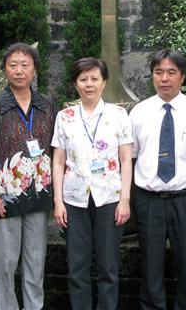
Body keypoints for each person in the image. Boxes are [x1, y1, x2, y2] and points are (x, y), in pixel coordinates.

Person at [0, 42, 57, 310]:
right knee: (6, 262)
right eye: (13, 65)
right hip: (5, 198)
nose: (19, 70)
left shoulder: (47, 105)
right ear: (5, 70)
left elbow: (58, 150)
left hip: (39, 196)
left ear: (35, 70)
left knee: (35, 260)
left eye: (25, 65)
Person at [130, 49, 186, 310]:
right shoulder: (138, 113)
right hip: (149, 200)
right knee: (150, 266)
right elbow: (132, 157)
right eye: (159, 72)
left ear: (182, 77)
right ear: (152, 76)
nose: (164, 78)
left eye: (171, 72)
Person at [51, 57, 133, 310]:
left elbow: (126, 160)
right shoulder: (64, 116)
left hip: (110, 198)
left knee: (109, 266)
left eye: (95, 79)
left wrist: (125, 200)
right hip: (74, 199)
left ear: (104, 82)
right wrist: (58, 201)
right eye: (83, 79)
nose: (89, 84)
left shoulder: (118, 115)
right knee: (77, 267)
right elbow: (58, 161)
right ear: (75, 83)